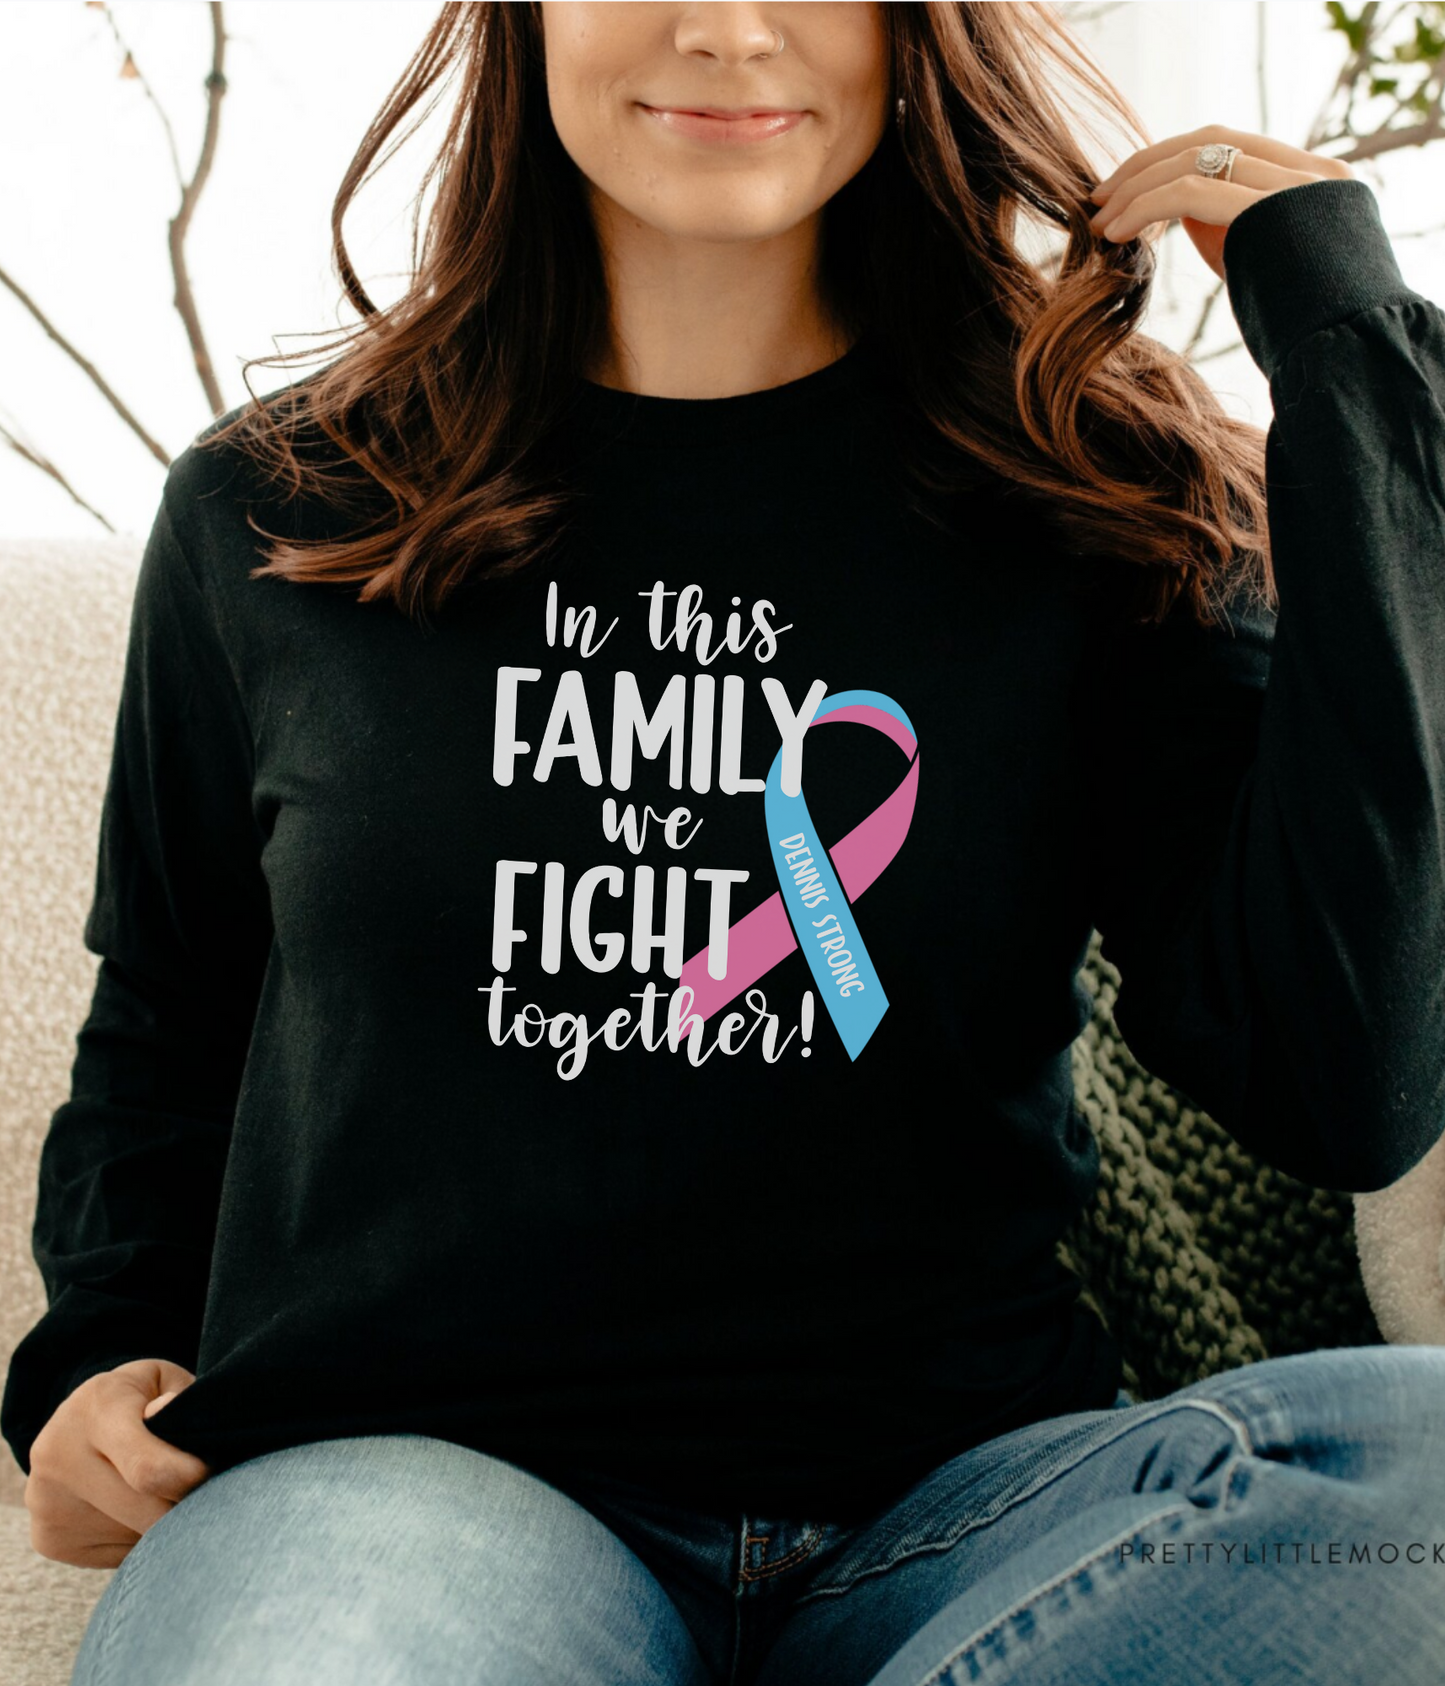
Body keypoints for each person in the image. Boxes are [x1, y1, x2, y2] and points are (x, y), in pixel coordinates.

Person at [5, 3, 1445, 1682]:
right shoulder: (287, 509)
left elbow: (1352, 1074)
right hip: (419, 1497)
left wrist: (1350, 343)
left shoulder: (1088, 503)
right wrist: (88, 1358)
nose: (727, 29)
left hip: (969, 1528)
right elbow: (173, 1015)